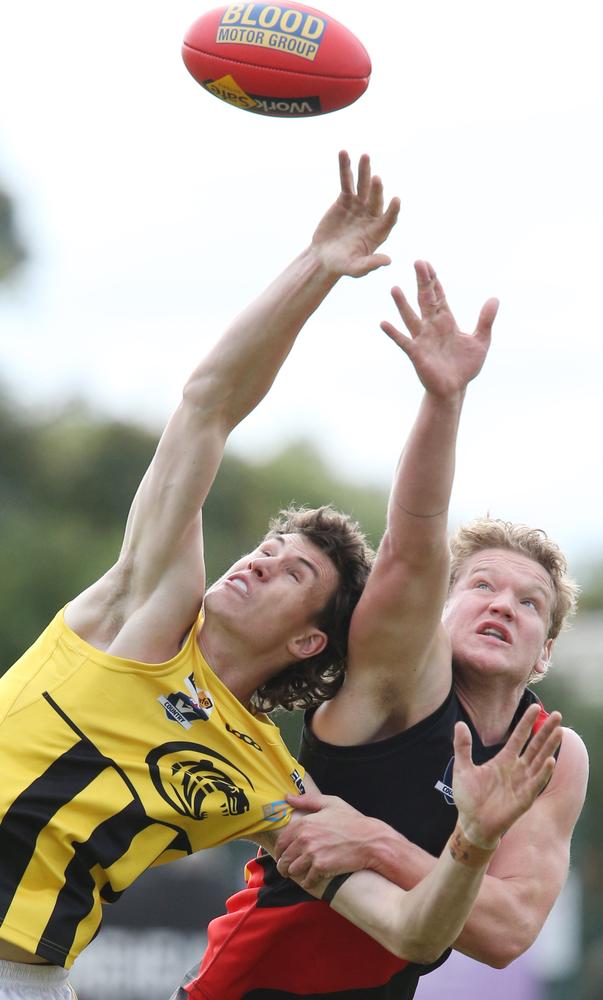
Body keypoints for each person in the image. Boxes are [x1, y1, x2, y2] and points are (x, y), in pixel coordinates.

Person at [0, 153, 561, 1000]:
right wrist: (318, 265)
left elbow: (414, 931)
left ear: (309, 638)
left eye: (290, 567)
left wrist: (473, 843)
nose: (257, 558)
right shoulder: (144, 610)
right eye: (263, 548)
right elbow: (207, 404)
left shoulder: (271, 781)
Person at [171, 261, 589, 1000]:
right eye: (482, 586)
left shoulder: (547, 753)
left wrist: (374, 841)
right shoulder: (400, 682)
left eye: (530, 604)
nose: (502, 606)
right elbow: (411, 542)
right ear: (443, 607)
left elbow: (506, 932)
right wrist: (443, 400)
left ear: (547, 650)